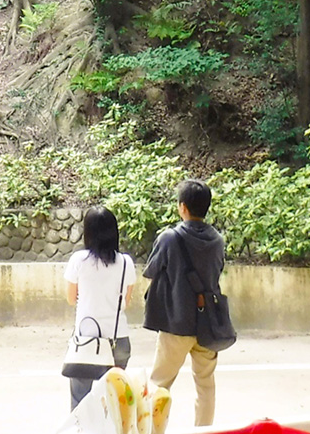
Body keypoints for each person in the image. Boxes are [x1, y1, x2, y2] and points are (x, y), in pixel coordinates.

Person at [144, 180, 226, 427]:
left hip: (176, 323)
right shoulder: (217, 240)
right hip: (208, 325)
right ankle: (205, 431)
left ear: (182, 207)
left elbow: (151, 271)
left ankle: (153, 430)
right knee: (205, 386)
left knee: (159, 384)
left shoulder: (169, 238)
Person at [64, 207, 136, 410]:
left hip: (86, 340)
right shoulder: (126, 263)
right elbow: (126, 302)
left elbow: (71, 298)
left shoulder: (79, 260)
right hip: (117, 341)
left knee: (80, 404)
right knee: (114, 405)